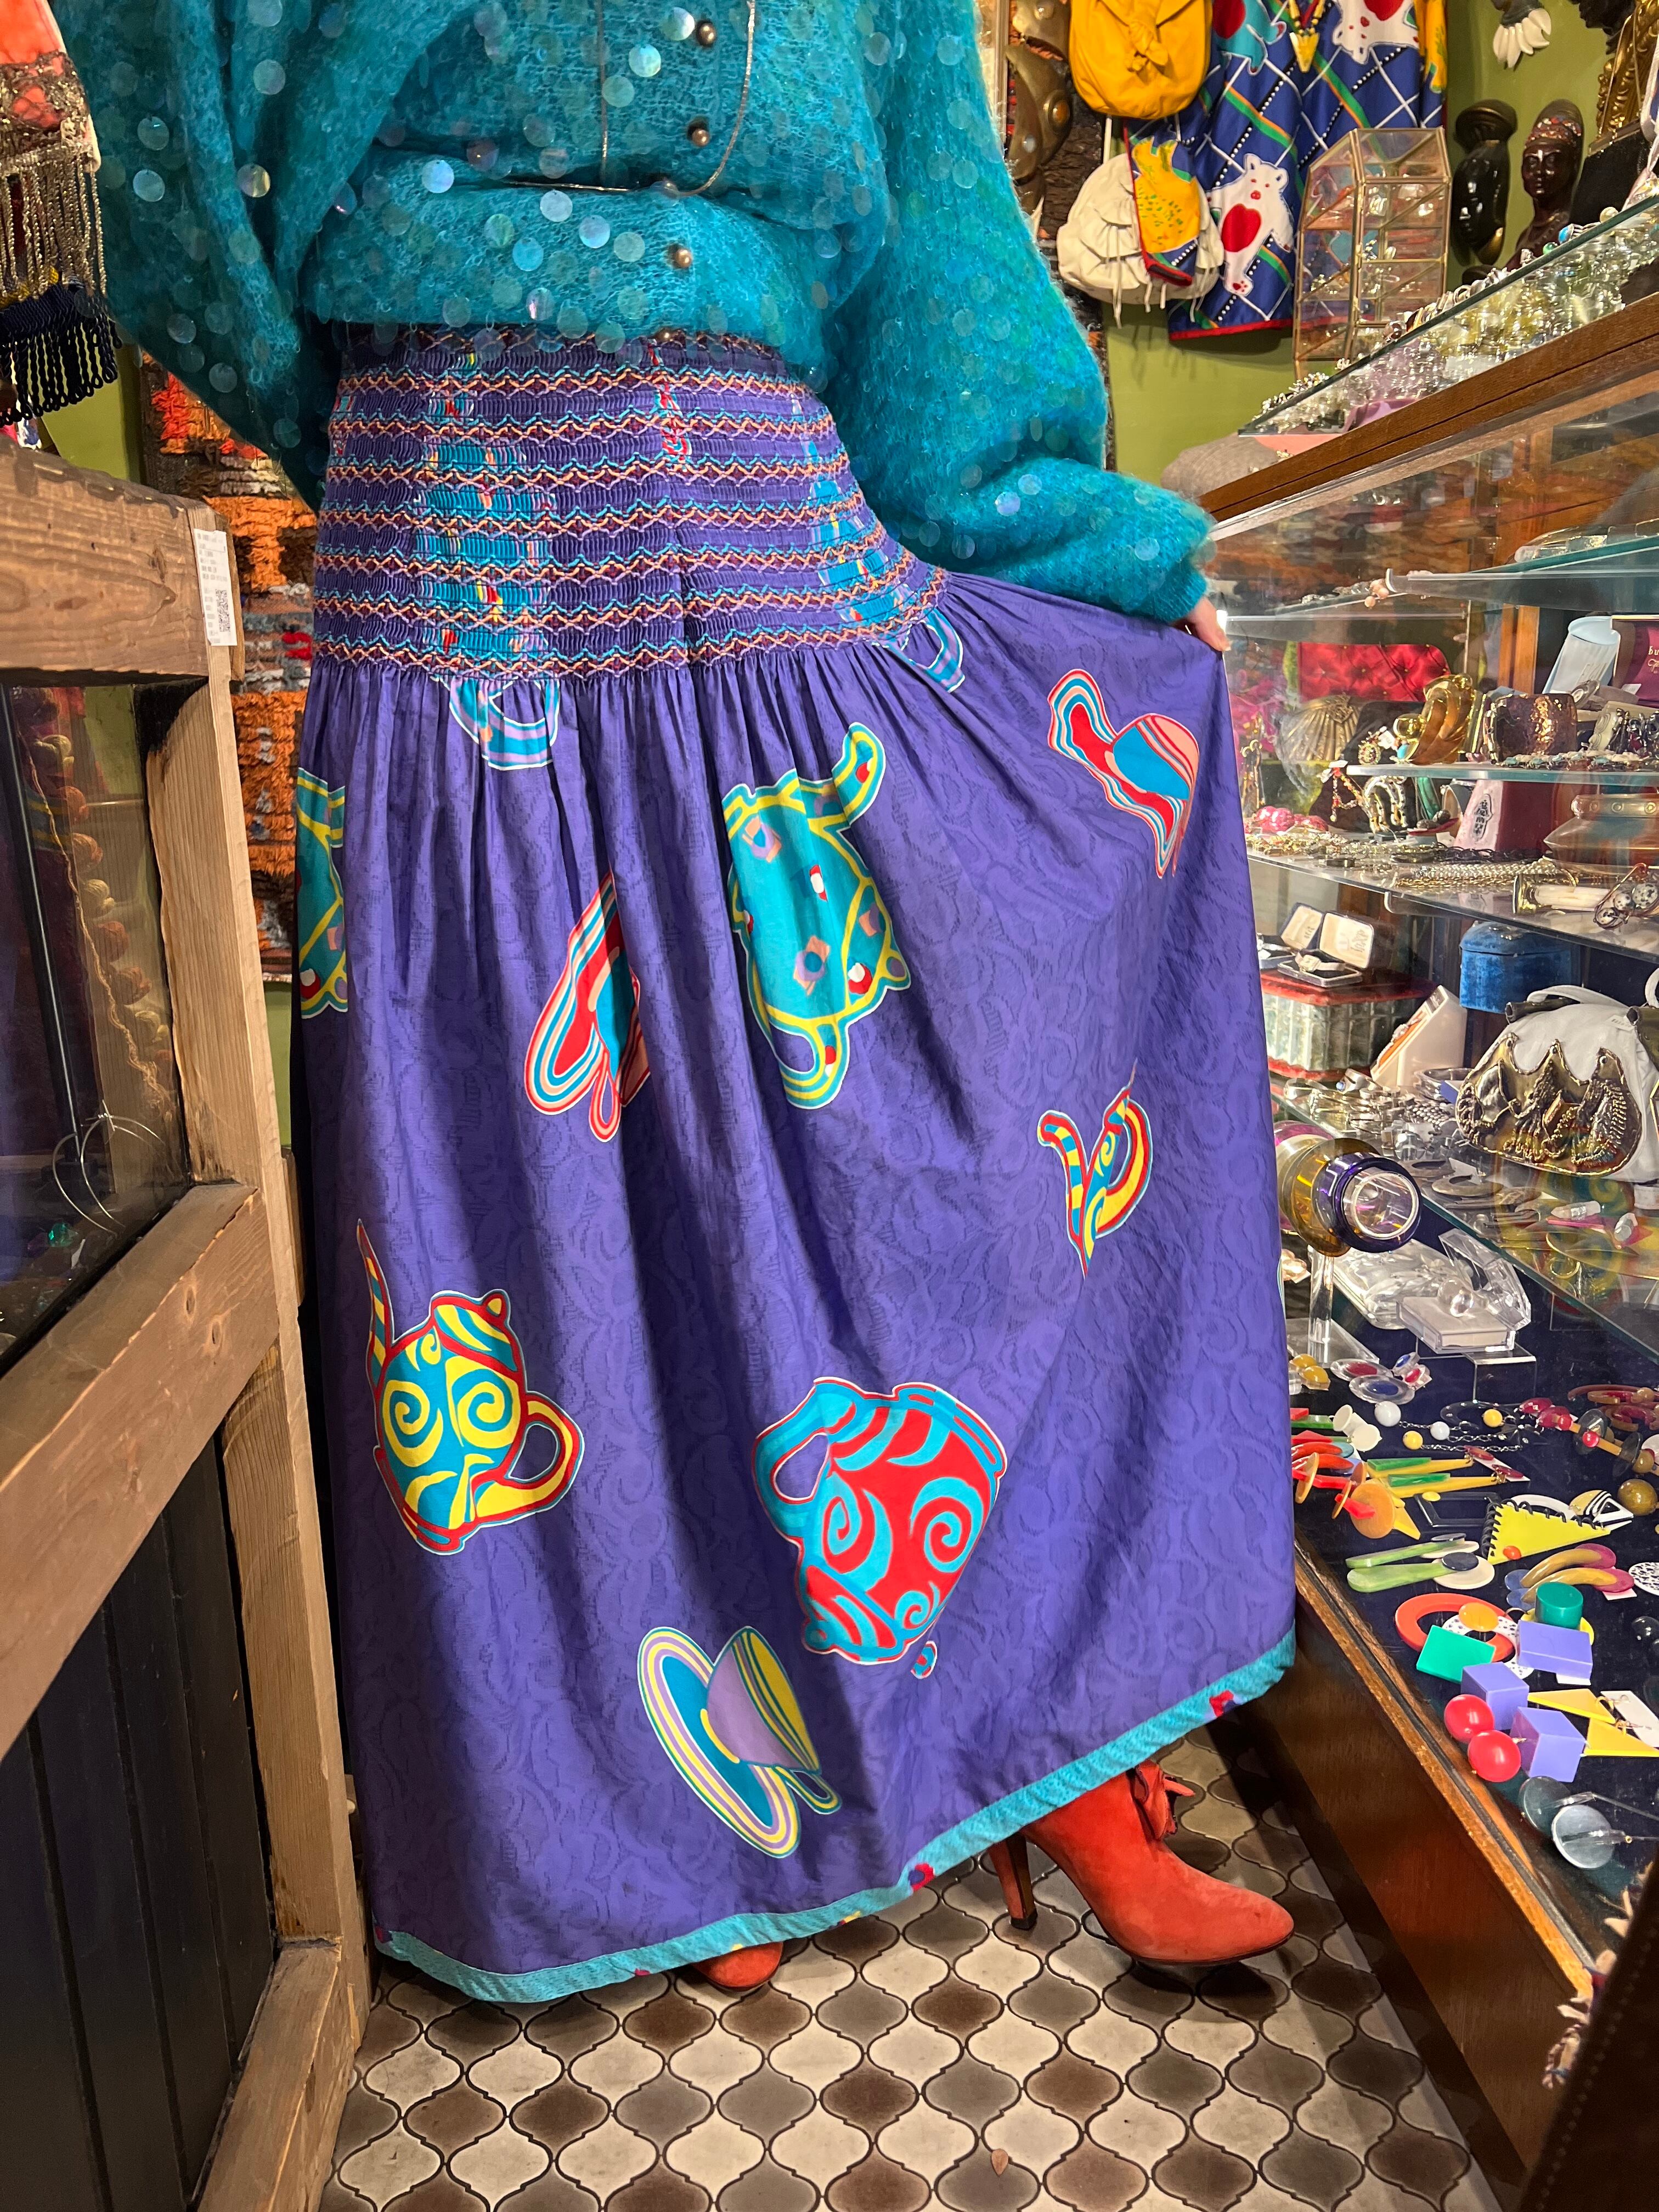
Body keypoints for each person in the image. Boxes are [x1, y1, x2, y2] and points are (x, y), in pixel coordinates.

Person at [61, 0, 1295, 1999]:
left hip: (780, 541)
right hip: (450, 552)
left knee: (935, 1154)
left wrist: (1094, 560)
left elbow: (941, 278)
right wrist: (411, 399)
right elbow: (179, 178)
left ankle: (1041, 1730)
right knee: (544, 1247)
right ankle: (677, 1802)